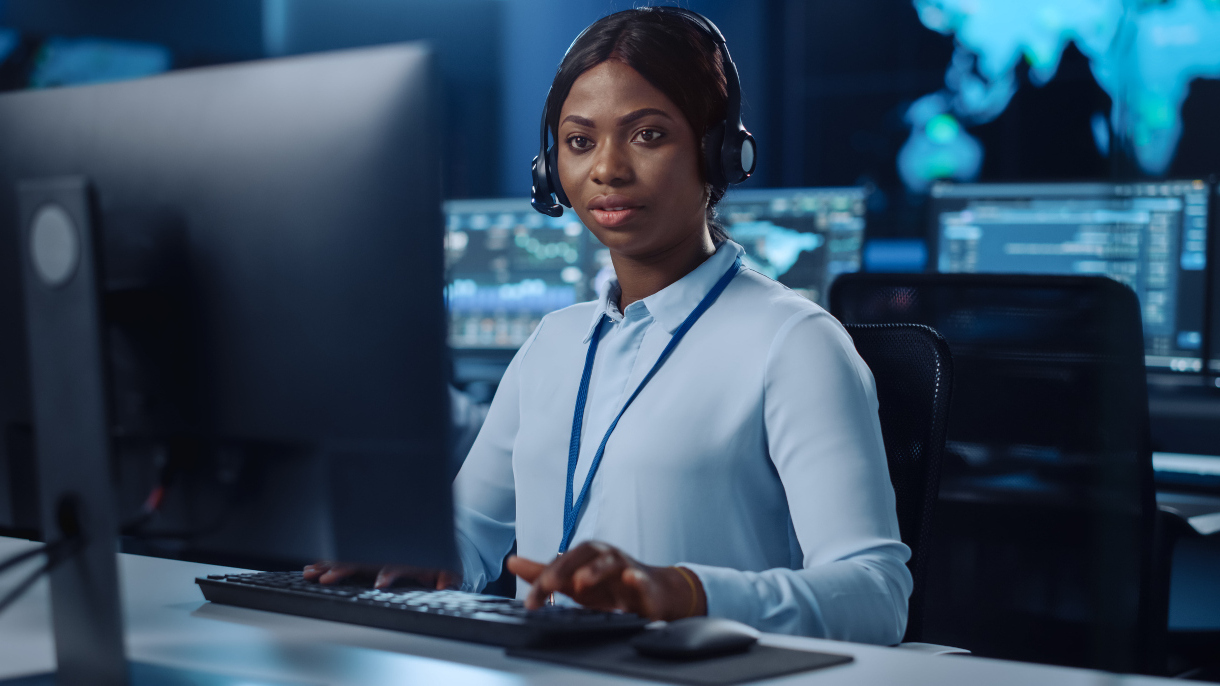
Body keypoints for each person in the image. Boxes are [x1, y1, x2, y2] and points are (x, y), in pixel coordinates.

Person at [307, 6, 911, 645]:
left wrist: (685, 592)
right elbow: (467, 533)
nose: (607, 170)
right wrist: (400, 557)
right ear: (552, 169)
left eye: (647, 135)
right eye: (579, 141)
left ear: (720, 152)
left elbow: (876, 596)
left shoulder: (794, 343)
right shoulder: (553, 343)